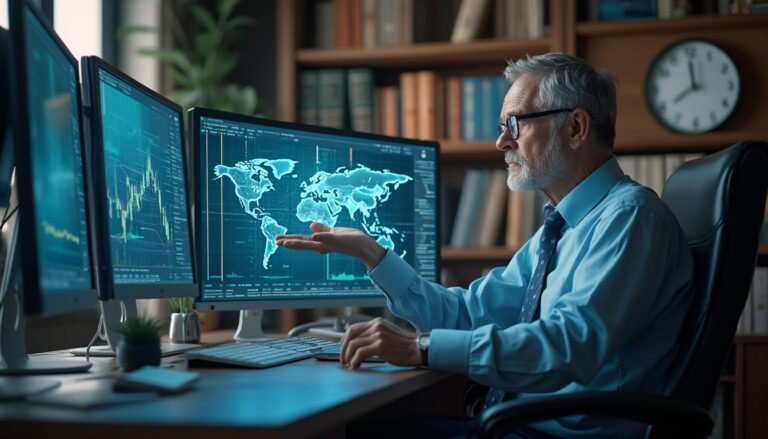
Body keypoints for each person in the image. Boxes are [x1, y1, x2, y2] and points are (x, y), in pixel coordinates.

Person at [276, 53, 694, 438]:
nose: (501, 143)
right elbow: (468, 313)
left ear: (576, 127)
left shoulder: (630, 218)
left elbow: (566, 346)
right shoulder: (562, 228)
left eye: (514, 124)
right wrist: (375, 256)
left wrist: (418, 348)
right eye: (501, 128)